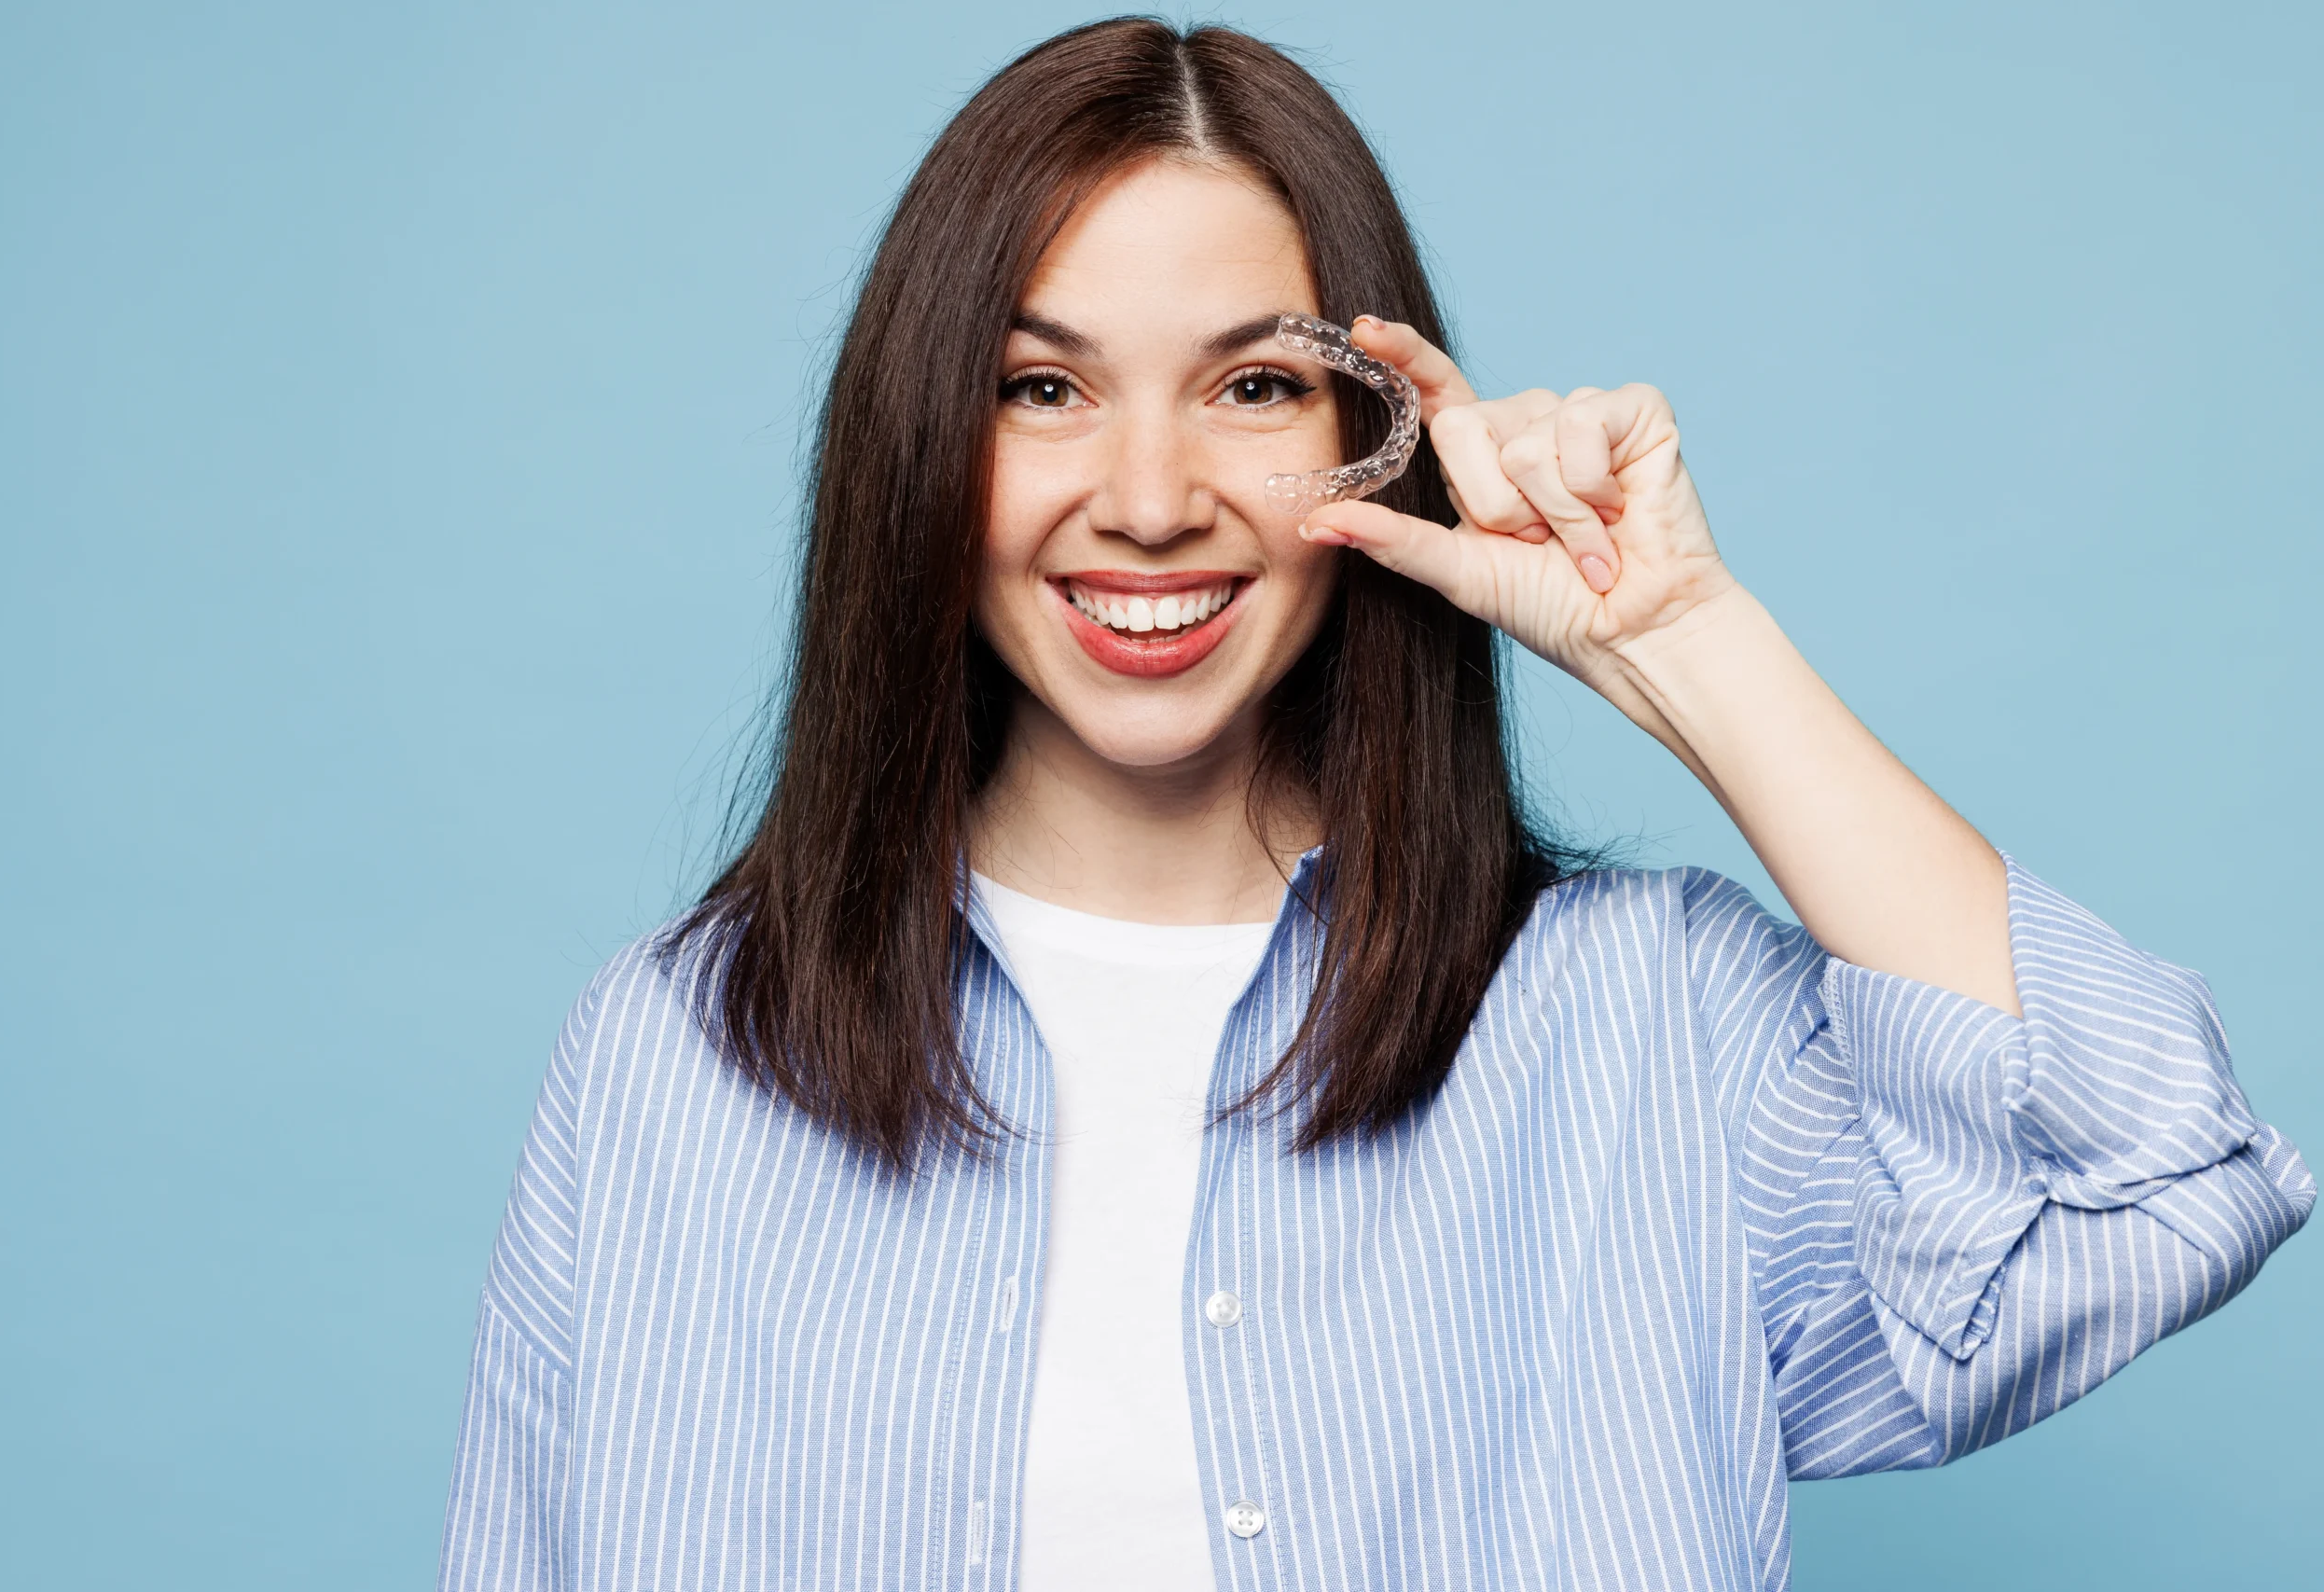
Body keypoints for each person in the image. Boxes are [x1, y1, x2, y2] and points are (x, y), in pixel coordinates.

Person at [436, 19, 2311, 1591]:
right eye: (1039, 387)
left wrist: (1681, 640)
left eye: (1251, 382)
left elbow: (2151, 1164)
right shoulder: (671, 1063)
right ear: (920, 445)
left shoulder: (1638, 1032)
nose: (1151, 495)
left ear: (1371, 430)